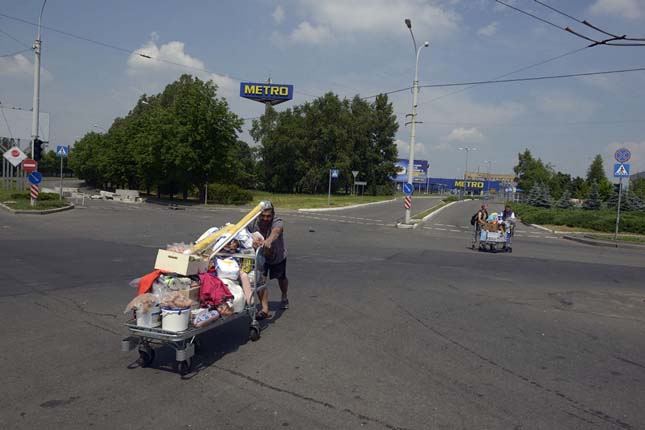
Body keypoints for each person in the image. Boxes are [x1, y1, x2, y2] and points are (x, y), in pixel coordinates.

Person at [249, 202, 288, 320]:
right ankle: (265, 309)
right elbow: (243, 232)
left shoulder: (277, 221)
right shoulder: (253, 222)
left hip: (277, 255)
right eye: (263, 216)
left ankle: (284, 296)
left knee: (281, 278)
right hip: (261, 255)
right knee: (261, 280)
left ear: (272, 215)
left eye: (268, 216)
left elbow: (277, 230)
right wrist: (252, 241)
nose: (265, 218)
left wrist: (269, 240)